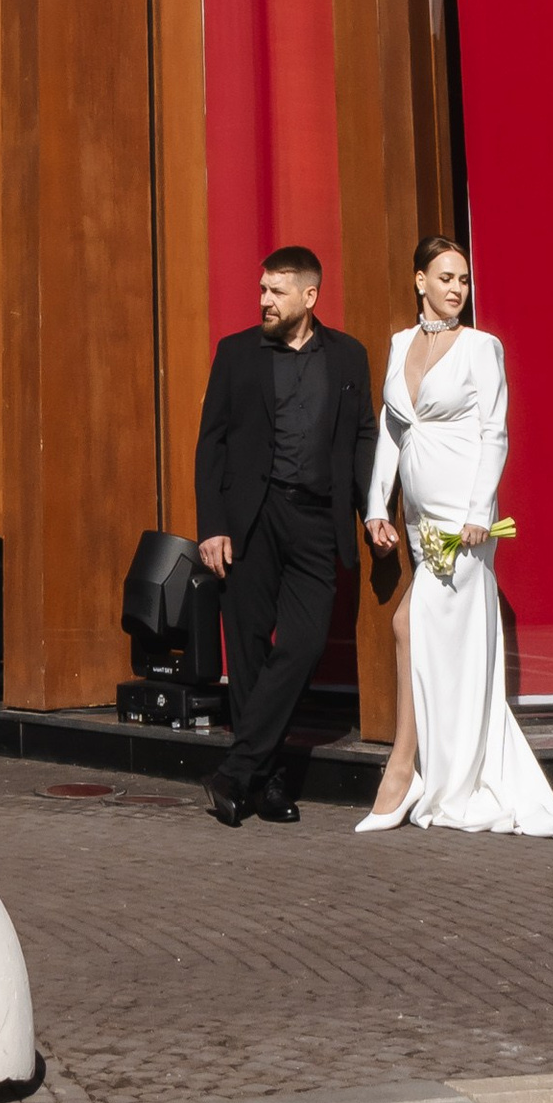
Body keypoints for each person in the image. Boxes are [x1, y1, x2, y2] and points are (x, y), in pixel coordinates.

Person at [359, 232, 553, 848]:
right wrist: (375, 507)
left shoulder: (481, 347)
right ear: (419, 281)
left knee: (417, 631)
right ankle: (426, 773)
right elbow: (392, 430)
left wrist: (477, 509)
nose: (456, 289)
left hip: (463, 520)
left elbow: (494, 433)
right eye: (445, 278)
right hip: (418, 520)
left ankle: (408, 773)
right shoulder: (398, 345)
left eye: (463, 280)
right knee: (419, 633)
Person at [195, 243, 374, 826]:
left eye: (276, 291)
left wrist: (373, 507)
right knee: (246, 649)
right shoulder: (237, 354)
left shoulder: (348, 357)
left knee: (302, 645)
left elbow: (365, 436)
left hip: (318, 519)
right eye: (262, 289)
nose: (264, 300)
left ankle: (235, 772)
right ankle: (265, 784)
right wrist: (213, 527)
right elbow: (211, 445)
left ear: (309, 296)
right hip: (253, 516)